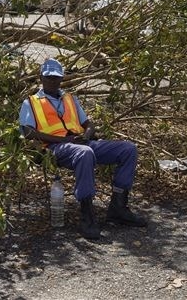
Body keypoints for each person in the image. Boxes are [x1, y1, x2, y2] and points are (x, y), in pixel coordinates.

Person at [19, 58, 147, 240]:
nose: (52, 81)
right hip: (54, 148)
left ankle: (118, 207)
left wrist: (86, 135)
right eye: (48, 77)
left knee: (128, 149)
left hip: (81, 142)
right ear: (41, 78)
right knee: (85, 153)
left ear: (61, 78)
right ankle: (87, 215)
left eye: (56, 77)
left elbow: (88, 124)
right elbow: (28, 132)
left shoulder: (70, 99)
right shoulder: (31, 103)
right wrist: (65, 139)